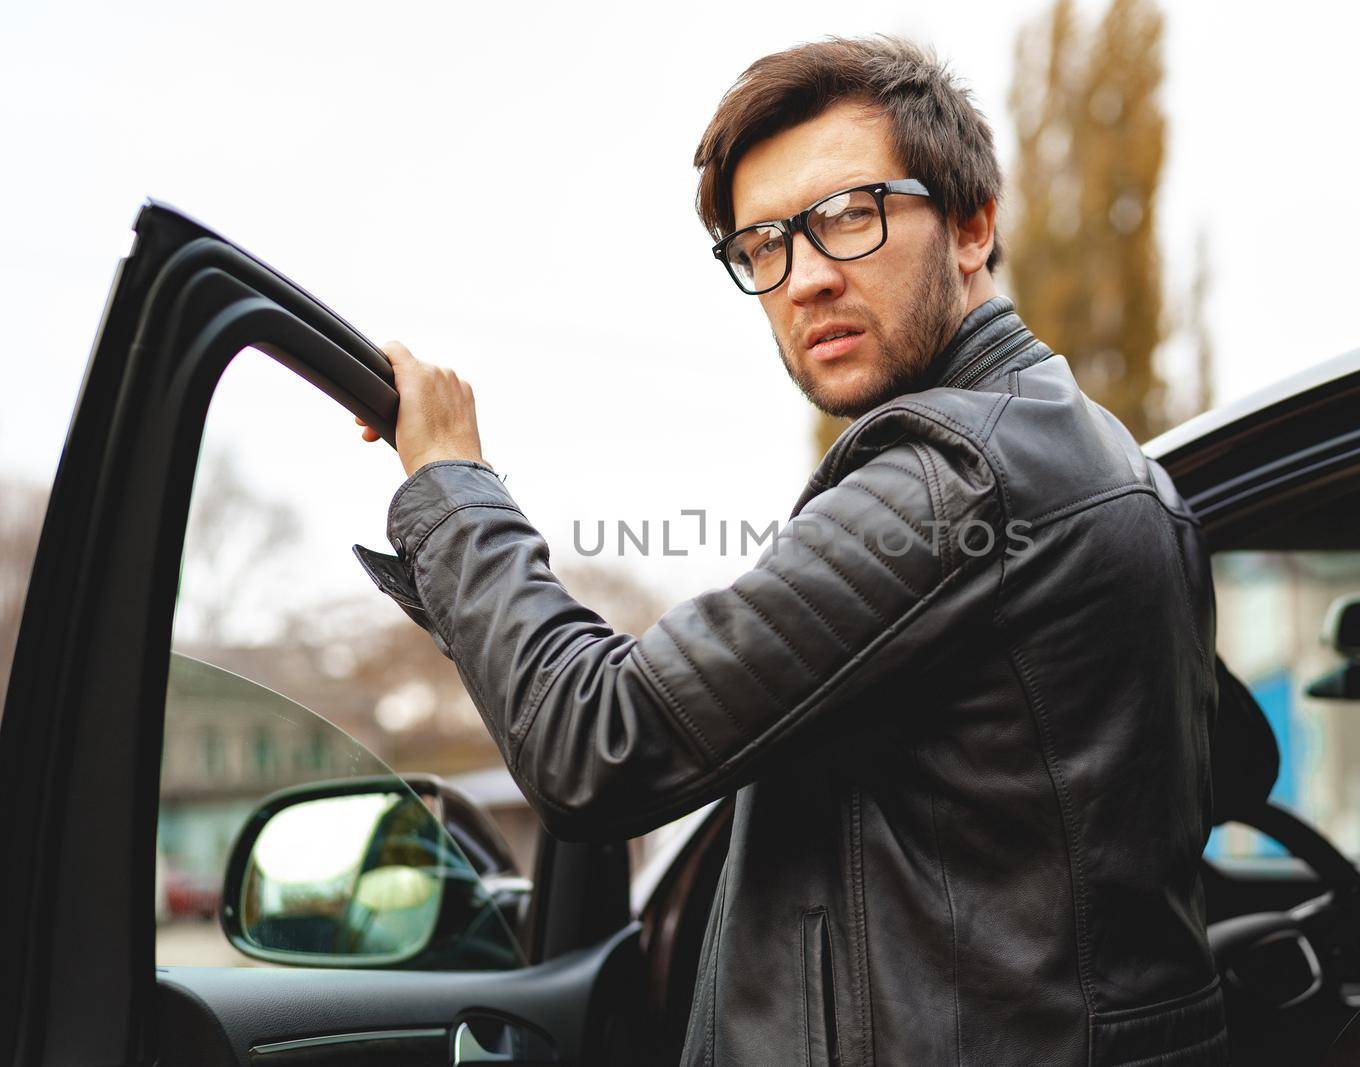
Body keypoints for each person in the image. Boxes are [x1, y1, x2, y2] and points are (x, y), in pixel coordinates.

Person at [358, 35, 1225, 1066]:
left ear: (971, 223)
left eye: (848, 216)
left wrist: (451, 484)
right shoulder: (1110, 464)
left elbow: (598, 741)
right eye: (763, 243)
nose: (804, 277)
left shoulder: (958, 474)